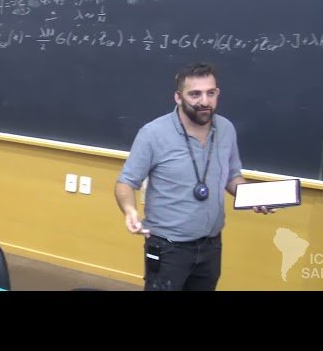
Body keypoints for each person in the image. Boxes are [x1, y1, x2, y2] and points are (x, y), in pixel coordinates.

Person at [114, 62, 273, 291]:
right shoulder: (153, 134)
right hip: (168, 248)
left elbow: (232, 177)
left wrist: (253, 197)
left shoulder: (226, 129)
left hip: (211, 245)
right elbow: (126, 183)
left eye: (211, 93)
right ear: (178, 97)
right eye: (195, 94)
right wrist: (130, 211)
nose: (205, 101)